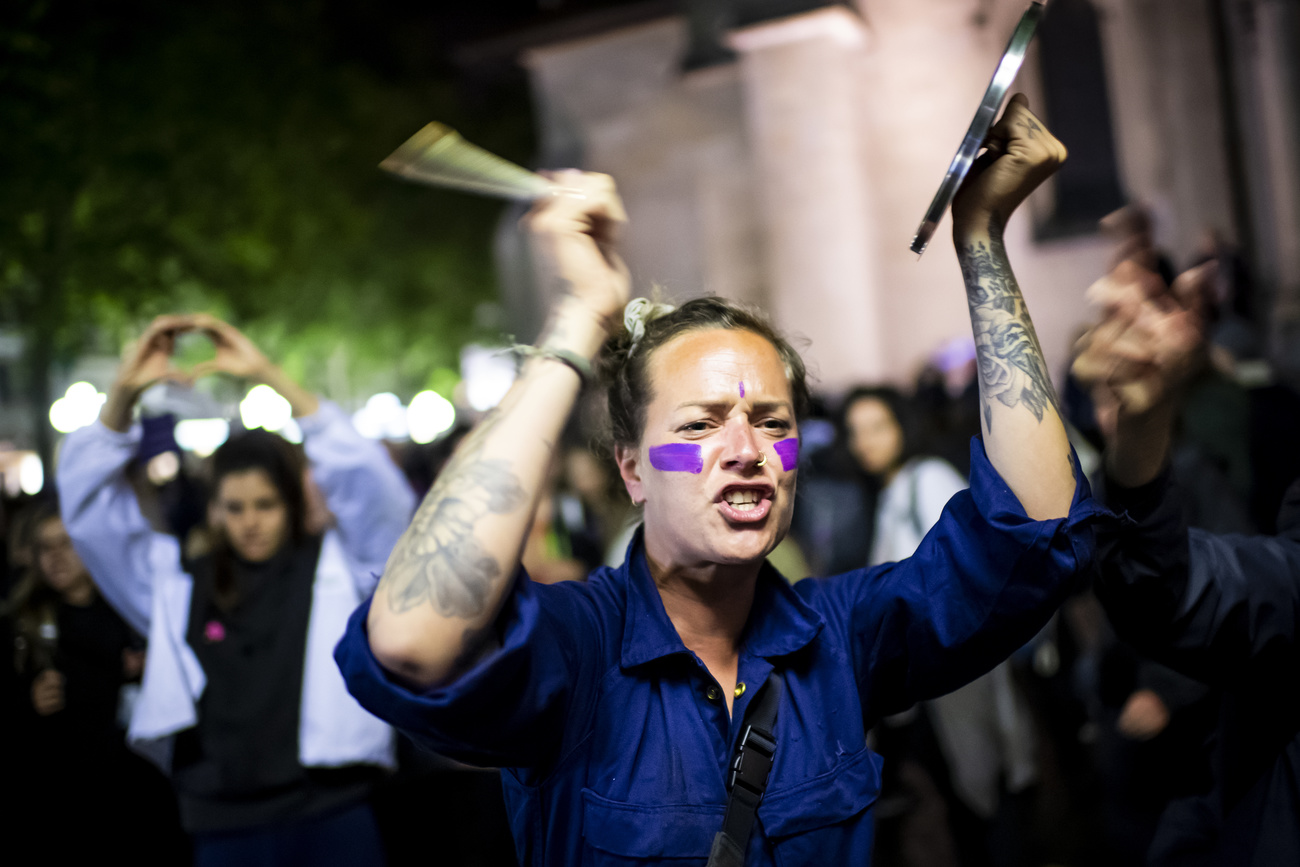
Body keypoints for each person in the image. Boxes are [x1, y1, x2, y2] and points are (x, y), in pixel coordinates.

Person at [337, 95, 1102, 865]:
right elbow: (412, 638)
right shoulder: (577, 651)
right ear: (632, 470)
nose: (747, 448)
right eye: (699, 425)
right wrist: (578, 313)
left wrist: (981, 239)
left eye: (773, 421)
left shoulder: (843, 638)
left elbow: (1038, 529)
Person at [57, 314, 415, 866]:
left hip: (334, 811)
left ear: (290, 504)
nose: (250, 522)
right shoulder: (178, 585)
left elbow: (376, 491)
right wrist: (124, 391)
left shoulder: (342, 570)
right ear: (214, 508)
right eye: (234, 507)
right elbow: (89, 514)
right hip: (223, 824)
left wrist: (270, 375)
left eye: (266, 505)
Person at [1074, 254, 1300, 865]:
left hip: (1191, 716)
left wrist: (1167, 691)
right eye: (1098, 399)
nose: (1106, 410)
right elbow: (1180, 592)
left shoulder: (1202, 462)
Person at [3, 498, 187, 862]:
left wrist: (150, 669)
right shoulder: (25, 626)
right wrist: (28, 702)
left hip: (133, 795)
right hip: (63, 800)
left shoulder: (131, 610)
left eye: (66, 544)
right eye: (45, 547)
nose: (56, 557)